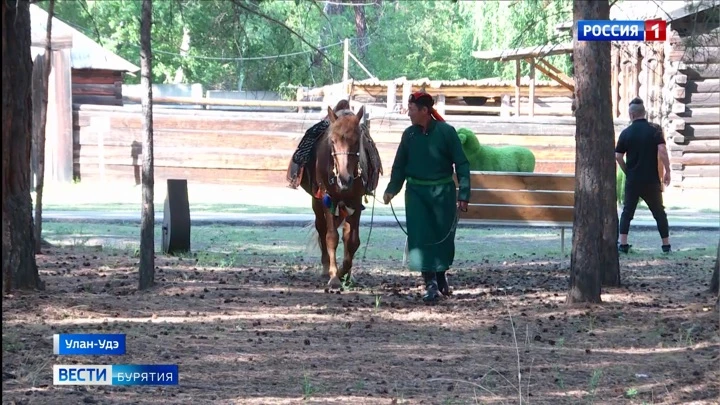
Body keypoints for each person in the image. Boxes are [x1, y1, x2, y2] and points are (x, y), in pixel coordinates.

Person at [382, 91, 471, 303]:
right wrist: (391, 189)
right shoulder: (409, 135)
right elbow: (400, 166)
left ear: (424, 111)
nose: (409, 114)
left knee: (442, 236)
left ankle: (441, 275)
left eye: (412, 110)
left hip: (443, 193)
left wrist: (464, 194)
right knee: (420, 237)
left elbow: (462, 164)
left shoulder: (447, 132)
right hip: (416, 194)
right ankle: (429, 283)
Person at [615, 97, 672, 253]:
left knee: (627, 212)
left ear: (631, 115)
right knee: (659, 212)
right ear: (643, 113)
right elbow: (662, 151)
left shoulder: (626, 133)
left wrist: (628, 171)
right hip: (651, 179)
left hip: (633, 180)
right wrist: (667, 170)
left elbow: (618, 156)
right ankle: (666, 245)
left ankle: (623, 244)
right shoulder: (655, 130)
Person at [287, 99, 351, 189]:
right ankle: (297, 173)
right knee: (310, 137)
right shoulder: (326, 124)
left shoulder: (324, 125)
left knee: (310, 136)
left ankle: (296, 174)